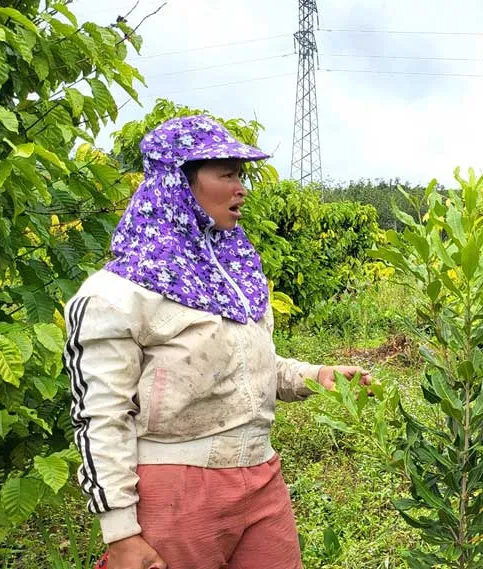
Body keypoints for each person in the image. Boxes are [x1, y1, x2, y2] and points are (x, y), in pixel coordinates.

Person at [63, 115, 371, 569]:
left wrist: (316, 376)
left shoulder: (234, 275)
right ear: (176, 184)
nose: (241, 188)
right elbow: (101, 417)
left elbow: (249, 364)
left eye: (240, 175)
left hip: (261, 476)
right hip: (176, 488)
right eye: (226, 174)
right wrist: (121, 531)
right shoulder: (118, 294)